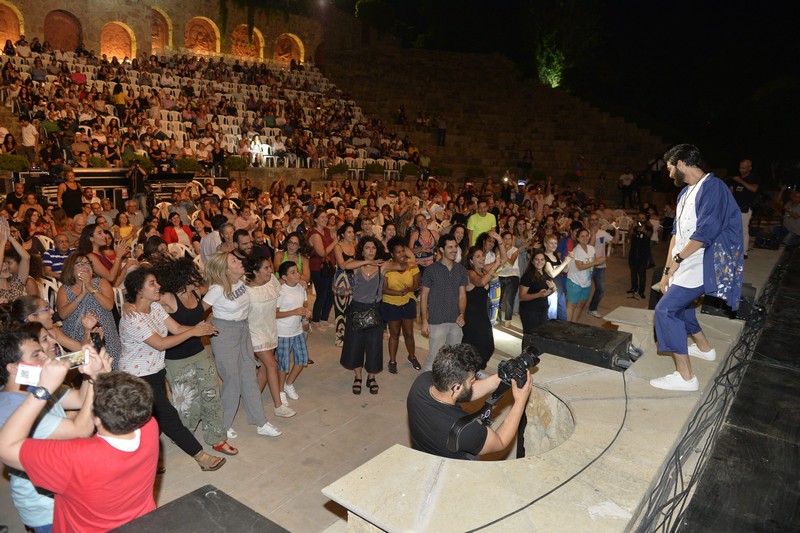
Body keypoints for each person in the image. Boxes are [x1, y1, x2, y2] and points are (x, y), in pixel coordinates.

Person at [0, 357, 159, 531]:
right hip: (143, 524)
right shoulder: (150, 427)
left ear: (95, 419)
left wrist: (42, 390)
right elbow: (123, 399)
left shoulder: (74, 458)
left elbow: (6, 448)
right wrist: (99, 376)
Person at [652, 144, 744, 392]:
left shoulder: (713, 188)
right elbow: (676, 236)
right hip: (686, 261)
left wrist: (679, 261)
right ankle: (706, 349)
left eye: (671, 168)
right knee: (679, 306)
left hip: (704, 262)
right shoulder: (685, 193)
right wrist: (667, 271)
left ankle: (685, 378)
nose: (669, 174)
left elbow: (706, 234)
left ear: (681, 164)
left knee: (666, 311)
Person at [120, 267, 227, 471]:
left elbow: (176, 329)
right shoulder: (132, 318)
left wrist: (201, 329)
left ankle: (146, 458)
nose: (158, 285)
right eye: (152, 283)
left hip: (155, 372)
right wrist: (194, 331)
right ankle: (201, 456)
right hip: (137, 378)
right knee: (168, 416)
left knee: (151, 419)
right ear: (138, 290)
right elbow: (160, 343)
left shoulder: (155, 308)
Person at [0, 329, 102, 532]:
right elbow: (81, 430)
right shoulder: (12, 407)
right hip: (47, 507)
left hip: (65, 492)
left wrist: (88, 373)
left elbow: (80, 400)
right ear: (13, 368)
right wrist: (94, 378)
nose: (46, 357)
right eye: (36, 354)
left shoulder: (35, 386)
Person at [149, 257, 238, 457]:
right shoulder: (168, 298)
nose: (197, 275)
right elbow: (142, 297)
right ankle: (184, 437)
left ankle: (216, 437)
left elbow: (221, 283)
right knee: (187, 403)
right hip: (176, 358)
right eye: (192, 272)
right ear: (181, 276)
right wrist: (129, 306)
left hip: (199, 352)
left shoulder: (197, 292)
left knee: (211, 395)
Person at [406, 343, 532, 460]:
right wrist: (520, 401)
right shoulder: (464, 431)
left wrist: (499, 378)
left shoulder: (421, 382)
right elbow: (500, 441)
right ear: (456, 387)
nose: (474, 381)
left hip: (423, 454)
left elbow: (464, 394)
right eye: (472, 379)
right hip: (451, 472)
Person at [203, 251, 282, 437]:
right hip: (224, 334)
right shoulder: (217, 289)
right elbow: (198, 309)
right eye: (234, 261)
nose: (239, 262)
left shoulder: (242, 282)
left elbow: (264, 285)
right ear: (226, 269)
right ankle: (223, 424)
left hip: (243, 331)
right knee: (232, 380)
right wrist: (199, 325)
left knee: (249, 377)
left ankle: (260, 422)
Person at [340, 236, 403, 395]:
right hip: (356, 309)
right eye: (367, 248)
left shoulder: (383, 267)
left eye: (373, 248)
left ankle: (371, 377)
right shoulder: (357, 266)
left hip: (375, 310)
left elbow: (402, 265)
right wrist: (366, 262)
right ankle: (358, 377)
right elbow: (345, 265)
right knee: (355, 346)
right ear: (362, 250)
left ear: (377, 250)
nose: (370, 251)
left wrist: (404, 252)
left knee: (374, 346)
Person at [245, 255, 296, 419]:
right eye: (266, 268)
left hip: (270, 330)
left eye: (269, 267)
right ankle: (278, 406)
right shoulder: (246, 291)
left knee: (265, 369)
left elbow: (282, 285)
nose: (270, 270)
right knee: (272, 365)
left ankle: (252, 400)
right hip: (255, 332)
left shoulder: (272, 281)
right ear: (255, 272)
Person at [55, 253, 122, 366]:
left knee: (107, 373)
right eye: (80, 264)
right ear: (71, 269)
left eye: (87, 263)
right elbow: (62, 315)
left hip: (105, 339)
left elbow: (109, 306)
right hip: (76, 341)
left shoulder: (101, 283)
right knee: (83, 374)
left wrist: (90, 287)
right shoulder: (64, 289)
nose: (86, 266)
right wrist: (82, 294)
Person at [420, 234, 468, 372]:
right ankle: (425, 387)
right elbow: (424, 296)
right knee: (434, 358)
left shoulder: (461, 270)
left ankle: (449, 386)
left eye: (455, 247)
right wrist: (424, 320)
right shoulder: (431, 270)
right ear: (441, 249)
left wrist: (462, 314)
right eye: (450, 247)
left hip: (456, 320)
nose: (454, 250)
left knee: (454, 358)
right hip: (436, 320)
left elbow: (462, 295)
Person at [461, 234, 506, 370]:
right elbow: (481, 282)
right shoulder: (470, 273)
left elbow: (503, 259)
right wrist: (495, 266)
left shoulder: (483, 270)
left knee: (487, 346)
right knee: (476, 345)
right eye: (478, 256)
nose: (482, 258)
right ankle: (469, 371)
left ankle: (474, 370)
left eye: (482, 256)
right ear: (471, 260)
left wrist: (499, 240)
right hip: (471, 315)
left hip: (481, 314)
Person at [381, 236, 422, 374]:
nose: (402, 254)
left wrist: (408, 290)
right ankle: (392, 361)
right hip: (391, 303)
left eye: (403, 251)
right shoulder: (387, 267)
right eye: (398, 252)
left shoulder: (411, 264)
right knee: (394, 334)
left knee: (409, 333)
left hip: (408, 301)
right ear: (392, 254)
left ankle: (412, 356)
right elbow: (383, 289)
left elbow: (417, 284)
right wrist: (398, 293)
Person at [274, 261, 312, 405]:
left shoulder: (301, 288)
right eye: (293, 272)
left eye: (297, 271)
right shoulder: (280, 291)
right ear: (284, 277)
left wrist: (305, 315)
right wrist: (294, 312)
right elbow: (274, 314)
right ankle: (280, 391)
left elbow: (302, 307)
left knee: (302, 359)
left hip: (297, 330)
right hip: (283, 332)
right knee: (283, 364)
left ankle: (288, 384)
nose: (297, 274)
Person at [519, 249, 556, 349]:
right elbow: (522, 296)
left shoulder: (545, 273)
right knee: (529, 336)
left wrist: (553, 289)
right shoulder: (527, 276)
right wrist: (538, 295)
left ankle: (533, 358)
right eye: (537, 259)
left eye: (542, 259)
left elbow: (545, 293)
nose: (539, 262)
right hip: (529, 311)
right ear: (532, 261)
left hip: (542, 309)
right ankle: (524, 359)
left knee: (539, 335)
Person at [307, 209, 337, 330]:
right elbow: (321, 252)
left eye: (326, 217)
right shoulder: (314, 233)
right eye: (322, 217)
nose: (325, 219)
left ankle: (324, 318)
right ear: (315, 220)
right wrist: (335, 242)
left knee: (330, 294)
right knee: (322, 294)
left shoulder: (327, 231)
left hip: (329, 267)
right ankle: (315, 320)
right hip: (317, 268)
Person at [565, 228, 604, 322]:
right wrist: (596, 262)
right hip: (575, 281)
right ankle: (566, 327)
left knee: (581, 304)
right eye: (582, 236)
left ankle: (574, 324)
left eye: (587, 235)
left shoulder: (591, 248)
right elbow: (580, 267)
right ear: (577, 238)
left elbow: (595, 262)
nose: (585, 238)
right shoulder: (577, 250)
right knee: (572, 305)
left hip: (586, 281)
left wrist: (600, 260)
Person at [729, 159, 760, 258]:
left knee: (743, 230)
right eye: (740, 167)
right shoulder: (735, 178)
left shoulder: (753, 177)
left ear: (749, 168)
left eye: (744, 168)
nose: (741, 170)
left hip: (745, 208)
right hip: (734, 207)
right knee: (732, 229)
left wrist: (740, 181)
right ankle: (733, 249)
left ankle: (744, 252)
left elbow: (754, 188)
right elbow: (731, 192)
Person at [332, 223, 356, 347]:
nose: (352, 235)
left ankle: (350, 335)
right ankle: (340, 338)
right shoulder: (338, 246)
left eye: (353, 232)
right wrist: (352, 260)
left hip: (353, 279)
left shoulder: (354, 245)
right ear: (342, 234)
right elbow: (342, 265)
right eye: (349, 232)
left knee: (351, 309)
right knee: (340, 308)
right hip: (341, 279)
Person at [586, 214, 613, 318]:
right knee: (584, 289)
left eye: (596, 219)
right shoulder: (585, 233)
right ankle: (575, 306)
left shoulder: (602, 233)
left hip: (600, 266)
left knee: (601, 289)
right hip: (588, 266)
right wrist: (593, 233)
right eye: (591, 220)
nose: (594, 222)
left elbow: (614, 240)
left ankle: (592, 308)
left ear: (599, 221)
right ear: (589, 221)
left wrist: (617, 228)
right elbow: (589, 248)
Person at [497, 231, 521, 326]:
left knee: (509, 299)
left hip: (513, 276)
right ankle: (497, 317)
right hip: (500, 275)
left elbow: (511, 262)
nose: (507, 241)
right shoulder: (498, 250)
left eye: (509, 239)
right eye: (505, 239)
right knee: (498, 298)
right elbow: (498, 263)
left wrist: (503, 254)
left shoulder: (515, 250)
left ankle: (508, 319)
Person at [627, 212, 653, 300]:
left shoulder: (649, 227)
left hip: (643, 255)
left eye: (643, 218)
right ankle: (633, 288)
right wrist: (632, 226)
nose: (641, 220)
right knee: (633, 273)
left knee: (642, 274)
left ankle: (641, 291)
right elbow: (629, 236)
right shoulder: (634, 228)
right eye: (639, 218)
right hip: (633, 254)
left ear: (645, 219)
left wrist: (644, 230)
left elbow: (649, 235)